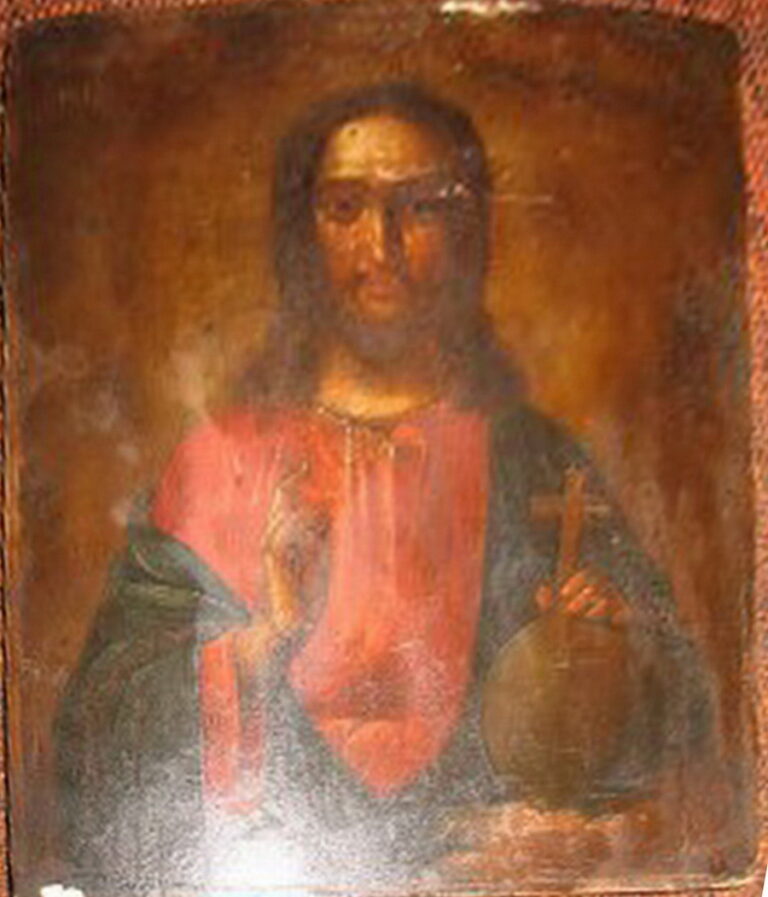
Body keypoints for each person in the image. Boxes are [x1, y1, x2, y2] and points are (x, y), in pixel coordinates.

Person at [55, 82, 712, 893]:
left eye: (421, 207)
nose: (382, 243)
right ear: (301, 233)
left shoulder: (537, 461)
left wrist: (615, 652)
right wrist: (263, 641)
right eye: (345, 207)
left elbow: (684, 732)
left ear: (469, 231)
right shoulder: (220, 460)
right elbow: (95, 743)